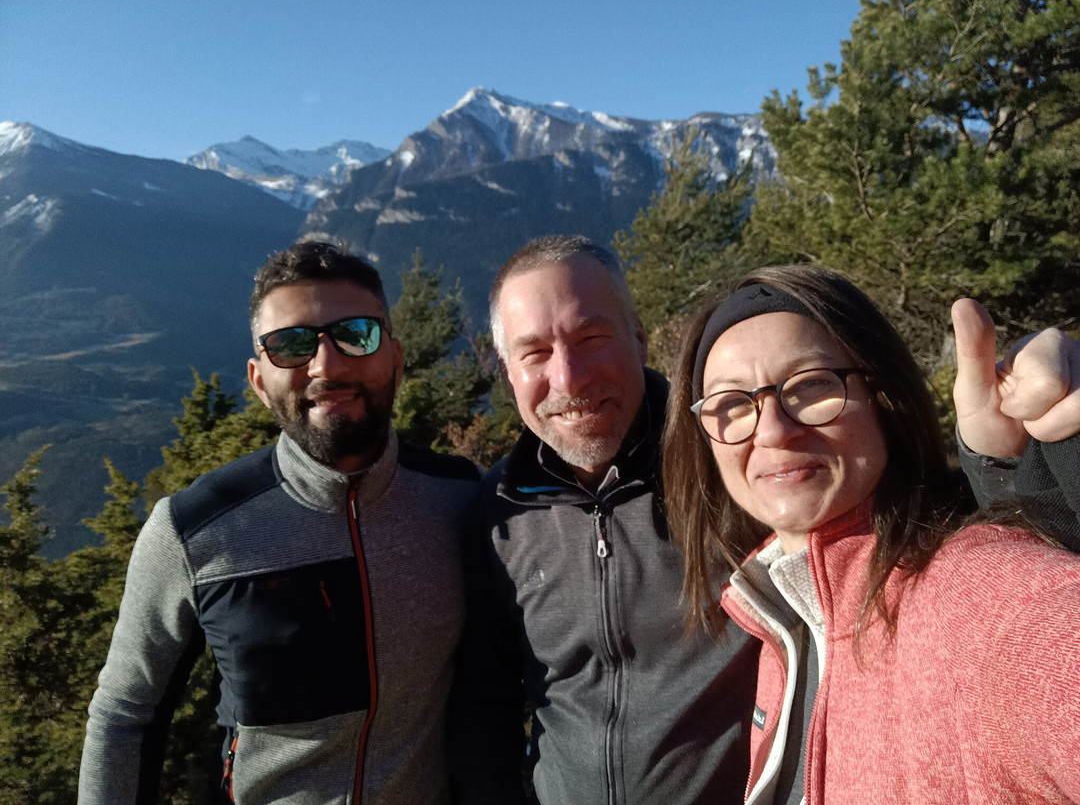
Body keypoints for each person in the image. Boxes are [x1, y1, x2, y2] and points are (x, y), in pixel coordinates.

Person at [461, 235, 1080, 805]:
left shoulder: (724, 476)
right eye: (534, 352)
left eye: (592, 337)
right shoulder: (497, 516)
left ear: (639, 338)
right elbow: (484, 711)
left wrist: (1030, 464)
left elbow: (965, 563)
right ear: (505, 368)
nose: (774, 431)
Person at [79, 241, 481, 805]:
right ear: (258, 379)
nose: (327, 365)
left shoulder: (464, 500)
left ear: (396, 356)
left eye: (356, 334)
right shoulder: (193, 532)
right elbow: (126, 715)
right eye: (291, 345)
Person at [662, 264, 1080, 804]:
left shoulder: (995, 604)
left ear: (884, 399)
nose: (771, 430)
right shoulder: (785, 623)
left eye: (811, 385)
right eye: (732, 404)